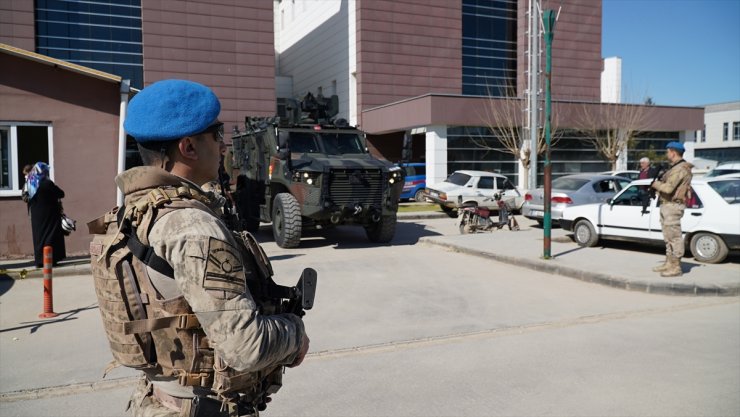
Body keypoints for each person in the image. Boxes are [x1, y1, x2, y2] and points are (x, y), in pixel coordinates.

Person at [119, 79, 309, 416]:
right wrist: (295, 332)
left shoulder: (136, 209)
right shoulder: (193, 227)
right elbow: (245, 347)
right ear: (189, 147)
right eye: (217, 134)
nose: (223, 147)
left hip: (161, 400)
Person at [650, 142, 693, 277]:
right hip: (667, 204)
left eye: (668, 151)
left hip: (673, 206)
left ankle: (676, 267)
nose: (667, 154)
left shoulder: (680, 169)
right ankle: (669, 263)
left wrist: (655, 184)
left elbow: (668, 188)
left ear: (673, 152)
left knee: (674, 237)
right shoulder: (674, 168)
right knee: (668, 237)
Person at [26, 162, 66, 267]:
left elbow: (26, 198)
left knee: (39, 237)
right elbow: (61, 193)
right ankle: (50, 260)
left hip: (36, 217)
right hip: (49, 215)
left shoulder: (30, 184)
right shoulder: (46, 183)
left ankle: (39, 261)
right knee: (50, 236)